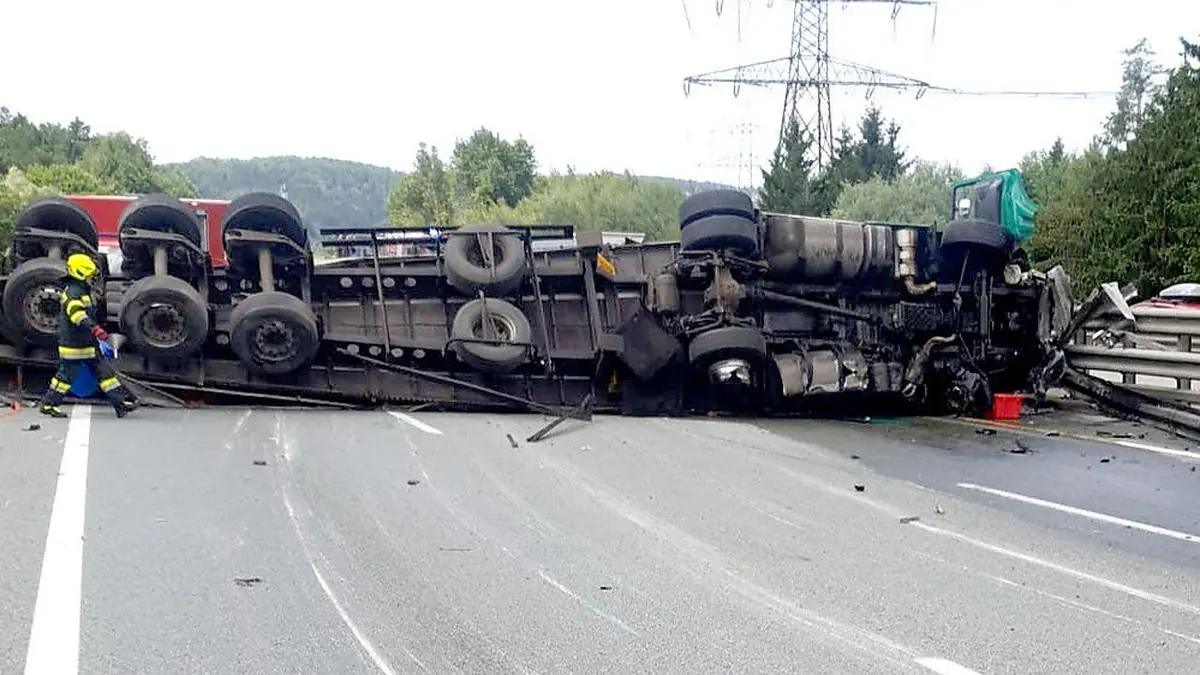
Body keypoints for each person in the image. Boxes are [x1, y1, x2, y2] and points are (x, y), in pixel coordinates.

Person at [39, 252, 138, 419]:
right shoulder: (75, 292)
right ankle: (49, 404)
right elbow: (76, 314)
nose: (93, 279)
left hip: (86, 343)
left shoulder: (81, 289)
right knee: (65, 377)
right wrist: (94, 328)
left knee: (105, 374)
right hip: (74, 345)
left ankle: (120, 404)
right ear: (80, 273)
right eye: (90, 275)